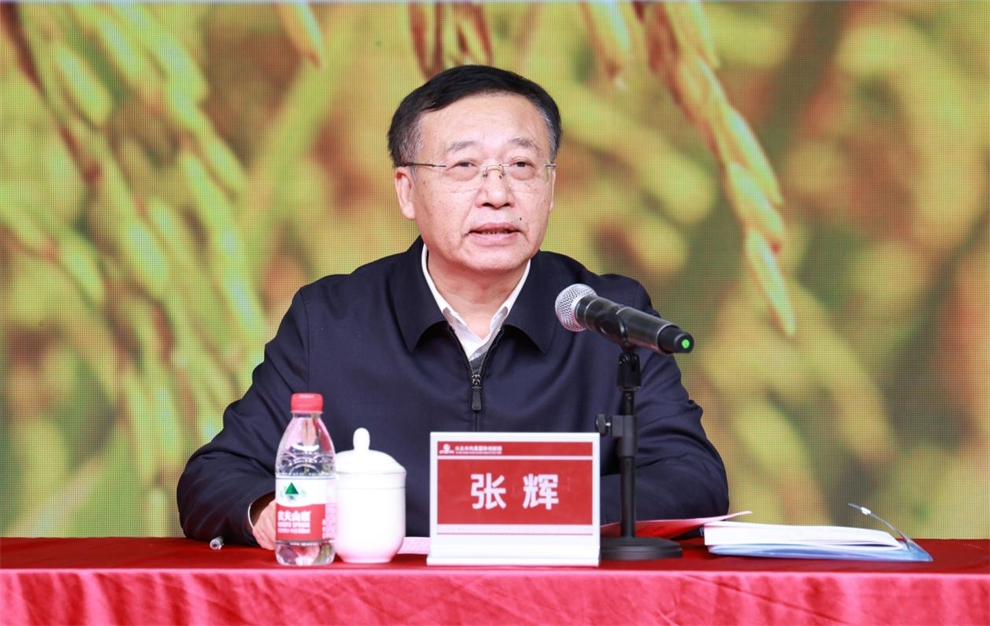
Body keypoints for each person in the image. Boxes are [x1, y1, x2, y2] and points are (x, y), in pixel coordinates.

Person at [177, 64, 728, 548]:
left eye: (521, 165)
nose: (497, 194)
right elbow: (216, 476)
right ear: (406, 190)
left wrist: (518, 505)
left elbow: (694, 479)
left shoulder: (608, 316)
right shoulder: (331, 318)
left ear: (551, 187)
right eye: (464, 167)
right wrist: (271, 513)